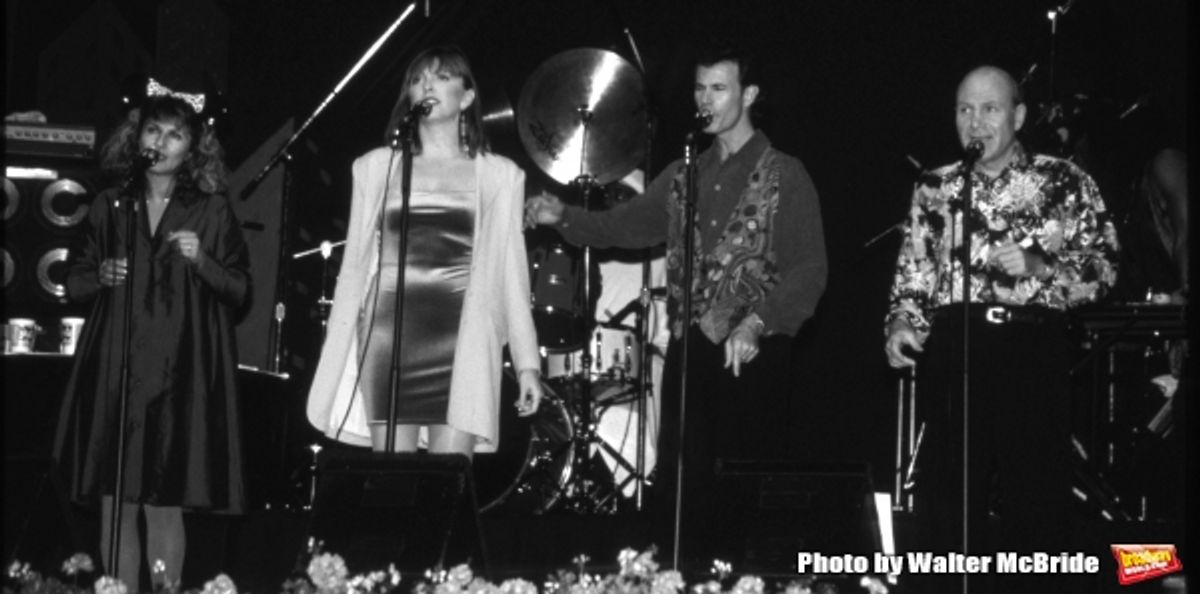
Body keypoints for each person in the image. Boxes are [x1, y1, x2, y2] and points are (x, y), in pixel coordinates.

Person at [525, 45, 827, 570]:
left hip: (752, 355)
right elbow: (626, 226)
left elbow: (809, 270)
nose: (704, 99)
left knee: (741, 488)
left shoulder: (785, 173)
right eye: (699, 88)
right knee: (684, 486)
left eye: (719, 88)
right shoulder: (684, 171)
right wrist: (563, 217)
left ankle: (748, 580)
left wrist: (759, 322)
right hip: (692, 354)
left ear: (749, 95)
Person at [884, 65, 1119, 593]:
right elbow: (914, 274)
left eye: (989, 109)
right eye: (965, 110)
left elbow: (1105, 268)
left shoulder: (1064, 180)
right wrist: (902, 321)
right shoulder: (935, 187)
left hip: (1029, 345)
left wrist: (1042, 269)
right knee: (946, 495)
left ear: (1018, 115)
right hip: (954, 344)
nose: (975, 122)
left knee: (1034, 496)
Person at [52, 88, 250, 589]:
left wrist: (203, 261)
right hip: (116, 371)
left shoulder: (211, 209)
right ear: (136, 138)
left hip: (178, 374)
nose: (161, 141)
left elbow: (241, 291)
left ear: (193, 147)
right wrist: (101, 274)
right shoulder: (110, 204)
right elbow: (71, 283)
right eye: (153, 130)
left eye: (175, 133)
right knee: (115, 504)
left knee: (164, 508)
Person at [306, 46, 543, 457]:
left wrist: (527, 364)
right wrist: (339, 343)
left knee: (445, 489)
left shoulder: (500, 176)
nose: (427, 85)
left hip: (462, 339)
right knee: (392, 489)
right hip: (389, 336)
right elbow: (355, 269)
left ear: (467, 98)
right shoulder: (376, 168)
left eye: (442, 77)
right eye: (418, 80)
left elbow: (512, 276)